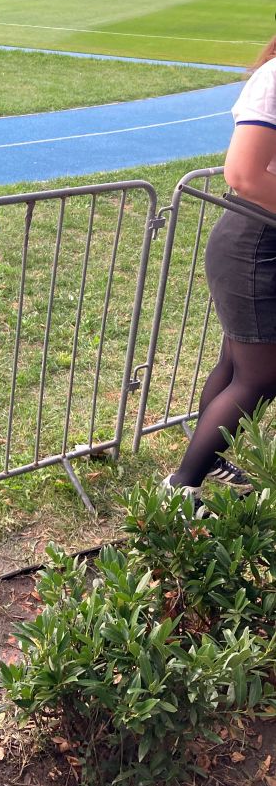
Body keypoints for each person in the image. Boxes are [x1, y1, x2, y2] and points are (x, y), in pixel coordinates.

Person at [163, 35, 276, 499]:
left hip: (262, 237)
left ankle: (204, 459)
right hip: (255, 241)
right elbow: (244, 174)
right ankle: (180, 489)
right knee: (262, 376)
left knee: (238, 364)